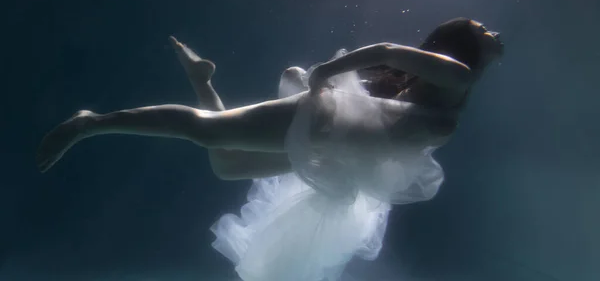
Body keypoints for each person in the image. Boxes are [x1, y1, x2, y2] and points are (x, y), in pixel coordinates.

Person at [36, 18, 503, 281]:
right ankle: (92, 123)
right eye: (481, 28)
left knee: (228, 165)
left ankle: (202, 79)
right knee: (210, 132)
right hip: (325, 122)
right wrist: (326, 72)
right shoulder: (457, 74)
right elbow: (385, 49)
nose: (491, 31)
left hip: (338, 149)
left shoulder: (458, 84)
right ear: (464, 43)